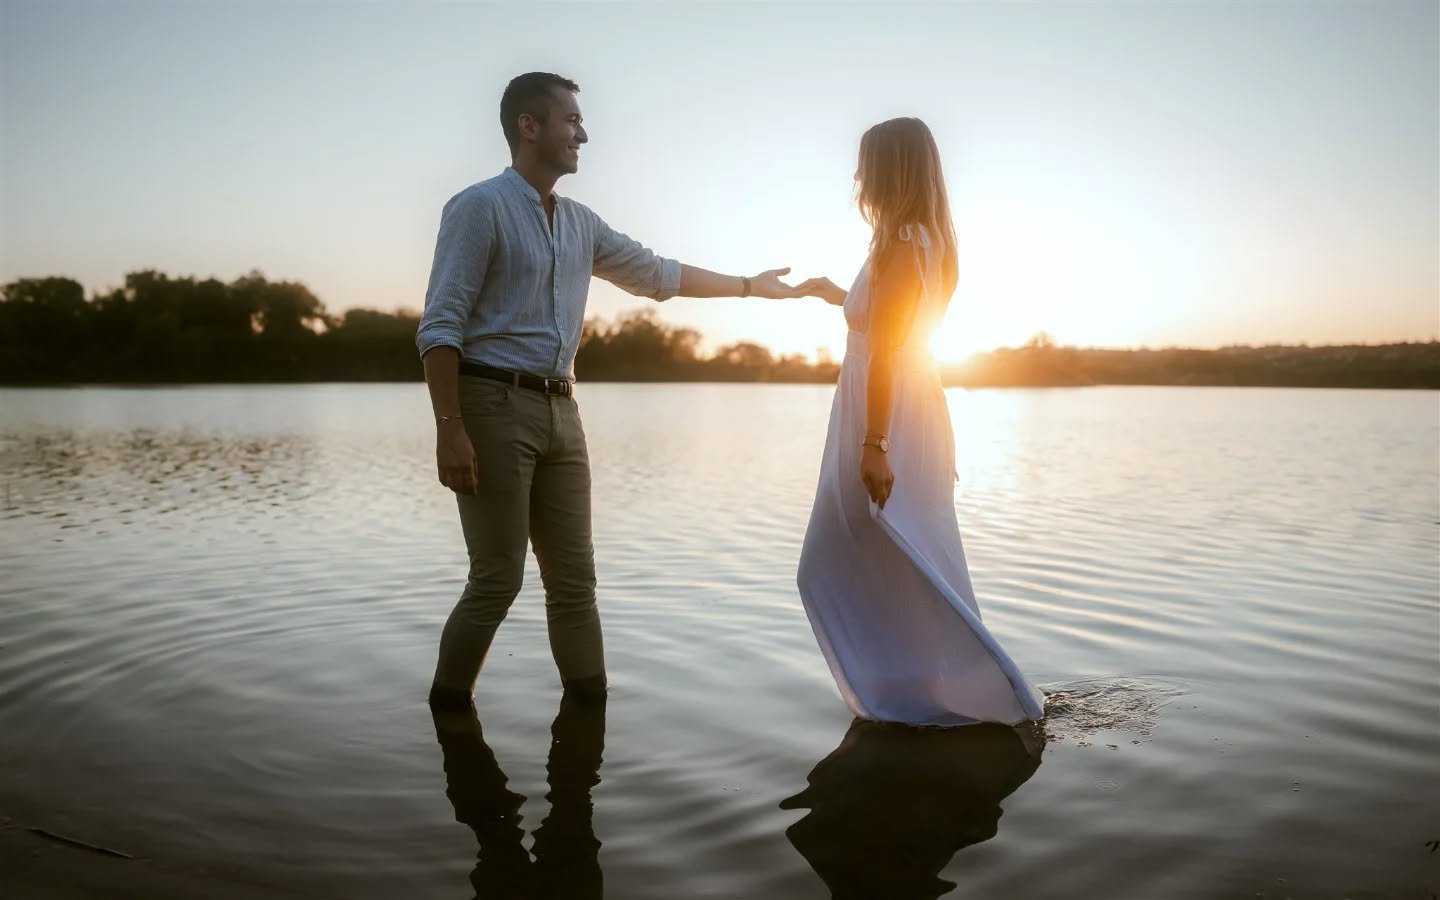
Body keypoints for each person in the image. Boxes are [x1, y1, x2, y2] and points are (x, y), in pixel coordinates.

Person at [417, 72, 800, 709]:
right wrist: (448, 425)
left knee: (576, 583)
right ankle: (448, 715)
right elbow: (440, 324)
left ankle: (588, 726)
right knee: (497, 579)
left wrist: (751, 286)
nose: (584, 134)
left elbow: (657, 274)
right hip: (490, 405)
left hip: (563, 411)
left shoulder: (582, 224)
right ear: (528, 126)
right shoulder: (477, 207)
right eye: (571, 121)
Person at [794, 117, 1046, 726]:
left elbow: (886, 348)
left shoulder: (902, 243)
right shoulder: (926, 239)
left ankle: (956, 694)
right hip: (909, 405)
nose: (859, 178)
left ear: (889, 170)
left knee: (843, 560)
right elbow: (890, 322)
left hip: (889, 413)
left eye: (866, 166)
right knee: (907, 554)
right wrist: (839, 295)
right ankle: (919, 693)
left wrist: (875, 443)